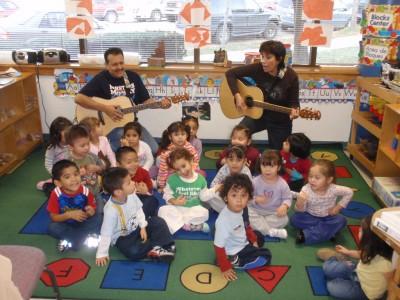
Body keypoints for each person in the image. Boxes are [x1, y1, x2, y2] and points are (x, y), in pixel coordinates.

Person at [75, 47, 160, 154]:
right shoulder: (101, 79)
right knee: (125, 151)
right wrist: (105, 108)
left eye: (121, 63)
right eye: (115, 64)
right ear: (107, 65)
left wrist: (160, 104)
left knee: (153, 149)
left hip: (131, 124)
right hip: (110, 127)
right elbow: (79, 98)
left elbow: (146, 101)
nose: (119, 67)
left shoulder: (132, 77)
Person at [225, 40, 300, 150]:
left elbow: (294, 102)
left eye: (268, 58)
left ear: (279, 59)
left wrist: (295, 110)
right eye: (262, 56)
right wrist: (237, 95)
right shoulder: (258, 68)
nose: (263, 61)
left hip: (280, 120)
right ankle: (233, 160)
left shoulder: (291, 76)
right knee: (238, 137)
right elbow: (230, 73)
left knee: (277, 154)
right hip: (257, 114)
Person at [96, 167, 175, 266]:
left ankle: (164, 246)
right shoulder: (110, 210)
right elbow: (106, 233)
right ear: (118, 192)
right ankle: (158, 245)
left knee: (158, 221)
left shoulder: (131, 194)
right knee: (133, 252)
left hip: (137, 227)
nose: (133, 182)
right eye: (129, 183)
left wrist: (142, 226)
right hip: (123, 237)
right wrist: (101, 253)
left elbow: (139, 209)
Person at [317, 215, 394, 300]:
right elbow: (360, 254)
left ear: (371, 238)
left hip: (363, 291)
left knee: (332, 287)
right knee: (327, 268)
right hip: (357, 271)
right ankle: (335, 257)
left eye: (361, 230)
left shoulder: (386, 264)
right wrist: (348, 252)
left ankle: (340, 266)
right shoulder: (372, 248)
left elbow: (391, 285)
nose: (359, 231)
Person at [214, 173, 271, 281]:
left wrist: (253, 240)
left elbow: (246, 225)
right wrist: (225, 268)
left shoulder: (243, 209)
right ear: (226, 197)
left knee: (259, 237)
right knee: (266, 256)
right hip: (234, 250)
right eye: (234, 195)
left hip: (240, 238)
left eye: (243, 195)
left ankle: (237, 256)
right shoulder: (224, 221)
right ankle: (236, 261)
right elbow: (218, 246)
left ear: (248, 197)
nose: (239, 200)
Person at [291, 159, 353, 245]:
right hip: (309, 216)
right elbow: (300, 211)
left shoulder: (333, 189)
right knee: (295, 219)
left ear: (329, 180)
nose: (312, 180)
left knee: (341, 220)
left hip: (328, 217)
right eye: (310, 176)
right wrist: (300, 202)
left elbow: (349, 192)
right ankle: (329, 232)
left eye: (317, 178)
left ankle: (307, 235)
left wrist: (337, 208)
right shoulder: (306, 189)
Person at [46, 160, 101, 252]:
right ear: (58, 183)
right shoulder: (55, 194)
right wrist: (69, 215)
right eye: (67, 177)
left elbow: (92, 209)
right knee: (52, 227)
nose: (74, 179)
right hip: (65, 223)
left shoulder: (85, 191)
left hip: (83, 221)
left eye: (76, 174)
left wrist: (90, 211)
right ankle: (84, 238)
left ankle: (72, 240)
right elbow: (54, 217)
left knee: (98, 218)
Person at [158, 148, 208, 234]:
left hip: (193, 209)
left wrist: (213, 191)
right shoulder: (172, 179)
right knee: (162, 210)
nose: (182, 171)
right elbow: (167, 195)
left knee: (204, 212)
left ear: (191, 161)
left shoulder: (201, 179)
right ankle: (190, 225)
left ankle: (179, 224)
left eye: (184, 166)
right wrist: (174, 201)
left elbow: (204, 196)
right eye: (177, 169)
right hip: (177, 208)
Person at [248, 150, 292, 239]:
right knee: (245, 211)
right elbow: (248, 198)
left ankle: (258, 227)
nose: (267, 169)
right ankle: (270, 232)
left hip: (273, 213)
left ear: (279, 167)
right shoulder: (255, 182)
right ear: (260, 166)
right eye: (264, 165)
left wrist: (284, 206)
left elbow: (287, 198)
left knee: (284, 219)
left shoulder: (282, 184)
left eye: (272, 166)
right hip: (256, 210)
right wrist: (256, 199)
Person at [200, 145, 252, 213]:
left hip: (239, 200)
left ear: (244, 161)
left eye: (238, 160)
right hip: (225, 198)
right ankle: (227, 210)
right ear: (226, 160)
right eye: (231, 160)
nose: (234, 163)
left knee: (250, 202)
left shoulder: (246, 172)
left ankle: (230, 211)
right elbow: (213, 184)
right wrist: (220, 189)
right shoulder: (225, 168)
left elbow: (249, 191)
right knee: (207, 194)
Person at [116, 146, 158, 218]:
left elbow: (150, 190)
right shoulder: (116, 176)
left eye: (136, 161)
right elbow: (113, 194)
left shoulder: (143, 173)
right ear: (118, 164)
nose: (134, 164)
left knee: (153, 200)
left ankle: (139, 219)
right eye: (129, 162)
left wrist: (146, 191)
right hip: (123, 202)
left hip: (140, 200)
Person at [157, 121, 199, 191]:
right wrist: (162, 185)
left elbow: (196, 161)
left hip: (188, 171)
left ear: (187, 135)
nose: (180, 137)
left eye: (183, 134)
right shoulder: (167, 152)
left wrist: (191, 171)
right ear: (170, 137)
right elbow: (163, 170)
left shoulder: (190, 148)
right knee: (168, 180)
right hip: (173, 173)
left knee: (201, 174)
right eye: (176, 135)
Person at [65, 124, 105, 196]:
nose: (87, 147)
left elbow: (103, 167)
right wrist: (77, 174)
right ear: (71, 147)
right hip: (79, 195)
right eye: (82, 145)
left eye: (88, 144)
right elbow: (66, 181)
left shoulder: (91, 156)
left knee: (100, 207)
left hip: (95, 191)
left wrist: (97, 168)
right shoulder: (68, 162)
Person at [36, 117, 72, 194]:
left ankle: (51, 181)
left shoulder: (71, 144)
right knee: (58, 192)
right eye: (66, 135)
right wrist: (56, 174)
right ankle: (44, 185)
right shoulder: (52, 149)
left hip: (70, 171)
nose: (69, 137)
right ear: (57, 136)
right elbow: (48, 164)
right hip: (58, 175)